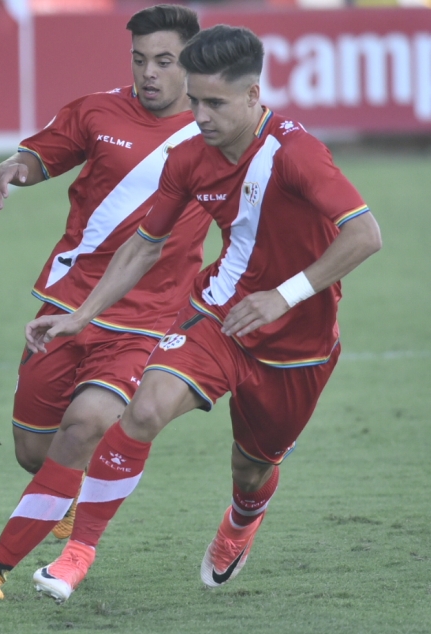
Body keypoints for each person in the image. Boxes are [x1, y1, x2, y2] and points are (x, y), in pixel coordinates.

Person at [27, 25, 381, 603]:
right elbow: (144, 244)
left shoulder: (296, 154)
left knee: (251, 468)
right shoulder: (190, 156)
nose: (200, 114)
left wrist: (283, 296)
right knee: (143, 410)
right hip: (217, 315)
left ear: (253, 95)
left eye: (215, 102)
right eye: (194, 99)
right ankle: (77, 553)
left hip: (299, 342)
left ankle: (242, 521)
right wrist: (82, 313)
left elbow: (365, 235)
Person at [0, 5, 208, 601]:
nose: (149, 73)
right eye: (140, 60)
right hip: (65, 305)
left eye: (164, 61)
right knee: (34, 452)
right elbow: (38, 156)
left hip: (146, 322)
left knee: (84, 428)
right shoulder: (97, 111)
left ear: (192, 65)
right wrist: (12, 168)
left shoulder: (216, 134)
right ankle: (68, 497)